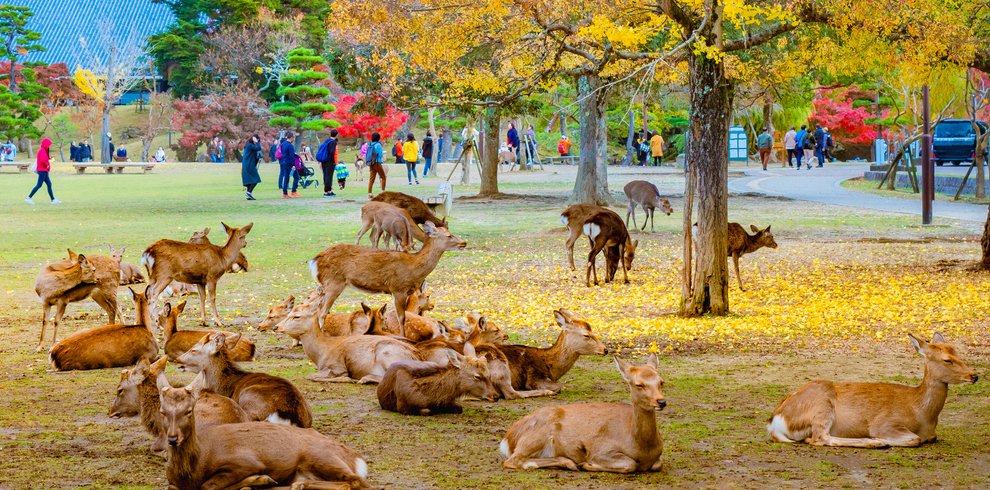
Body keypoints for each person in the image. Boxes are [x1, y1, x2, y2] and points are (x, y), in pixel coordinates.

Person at [25, 138, 60, 205]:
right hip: (42, 171)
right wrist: (47, 166)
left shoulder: (43, 150)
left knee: (49, 184)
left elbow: (44, 159)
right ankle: (28, 198)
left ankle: (53, 199)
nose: (49, 146)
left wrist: (49, 158)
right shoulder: (42, 151)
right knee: (39, 185)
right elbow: (43, 161)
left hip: (44, 171)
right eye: (48, 145)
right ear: (46, 145)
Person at [278, 132, 300, 198]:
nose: (293, 139)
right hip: (290, 163)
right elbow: (291, 156)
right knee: (296, 177)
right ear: (291, 138)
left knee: (286, 177)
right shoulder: (290, 145)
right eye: (293, 137)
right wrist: (293, 165)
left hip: (284, 162)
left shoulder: (283, 144)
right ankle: (293, 191)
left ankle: (285, 193)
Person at [241, 134, 263, 200]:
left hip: (248, 165)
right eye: (257, 139)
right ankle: (249, 192)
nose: (257, 141)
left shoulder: (250, 146)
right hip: (249, 165)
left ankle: (248, 195)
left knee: (249, 180)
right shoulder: (250, 145)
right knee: (256, 179)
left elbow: (254, 154)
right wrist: (257, 142)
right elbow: (259, 148)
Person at [318, 129, 338, 198]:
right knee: (329, 176)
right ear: (336, 135)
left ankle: (329, 190)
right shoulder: (333, 142)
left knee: (326, 175)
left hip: (324, 161)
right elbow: (332, 152)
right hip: (330, 161)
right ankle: (326, 192)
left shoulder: (327, 141)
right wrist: (334, 162)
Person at [366, 132, 386, 198]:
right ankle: (383, 192)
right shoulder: (378, 145)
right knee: (383, 177)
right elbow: (380, 154)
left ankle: (369, 193)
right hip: (377, 162)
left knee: (371, 178)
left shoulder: (370, 144)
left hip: (371, 163)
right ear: (378, 138)